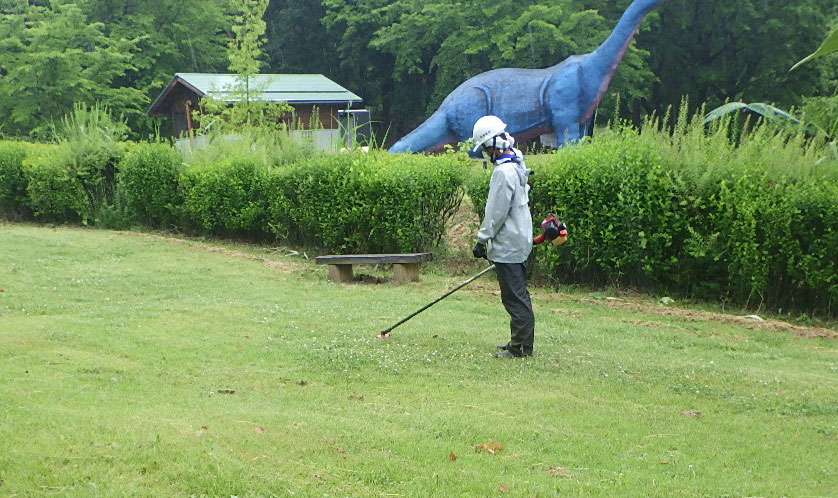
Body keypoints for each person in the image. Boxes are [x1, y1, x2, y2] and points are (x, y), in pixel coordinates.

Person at [470, 115, 535, 358]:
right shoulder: (517, 161)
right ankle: (518, 343)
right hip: (519, 238)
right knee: (517, 294)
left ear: (491, 146)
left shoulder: (503, 172)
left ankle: (520, 348)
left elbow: (496, 212)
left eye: (485, 148)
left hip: (508, 243)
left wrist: (481, 239)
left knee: (514, 297)